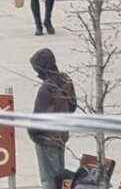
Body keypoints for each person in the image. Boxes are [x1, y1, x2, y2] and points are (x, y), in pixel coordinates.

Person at [29, 48, 77, 188]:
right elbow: (73, 105)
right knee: (60, 177)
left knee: (50, 180)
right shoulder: (66, 79)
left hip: (46, 139)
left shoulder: (46, 88)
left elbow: (38, 118)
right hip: (61, 135)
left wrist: (34, 134)